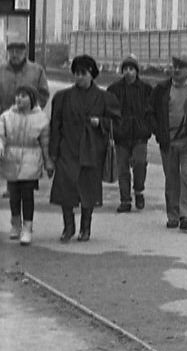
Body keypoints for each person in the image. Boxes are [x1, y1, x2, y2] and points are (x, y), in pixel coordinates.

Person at [49, 55, 121, 242]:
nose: (79, 77)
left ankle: (85, 228)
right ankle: (68, 227)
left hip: (92, 151)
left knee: (88, 191)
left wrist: (101, 123)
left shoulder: (105, 98)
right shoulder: (62, 98)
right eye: (76, 73)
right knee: (65, 189)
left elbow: (117, 123)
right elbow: (55, 126)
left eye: (83, 73)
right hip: (68, 149)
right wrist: (53, 154)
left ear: (92, 74)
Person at [147, 54, 187, 232]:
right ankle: (173, 215)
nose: (176, 69)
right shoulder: (161, 89)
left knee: (186, 177)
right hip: (168, 141)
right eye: (174, 66)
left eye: (181, 67)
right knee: (171, 178)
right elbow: (150, 111)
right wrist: (157, 131)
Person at [0, 85, 52, 246]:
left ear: (32, 98)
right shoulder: (6, 116)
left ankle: (28, 228)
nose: (19, 99)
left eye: (23, 96)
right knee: (14, 195)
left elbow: (45, 143)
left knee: (27, 195)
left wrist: (48, 162)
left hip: (31, 159)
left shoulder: (41, 118)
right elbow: (1, 135)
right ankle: (16, 223)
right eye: (17, 96)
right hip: (11, 159)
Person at [0, 33, 50, 199]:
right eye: (11, 50)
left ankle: (25, 185)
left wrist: (34, 110)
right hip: (5, 119)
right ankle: (9, 184)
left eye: (18, 50)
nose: (14, 54)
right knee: (6, 151)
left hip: (29, 120)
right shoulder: (1, 70)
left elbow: (43, 93)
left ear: (25, 51)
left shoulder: (36, 71)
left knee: (26, 152)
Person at [107, 54, 153, 213]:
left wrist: (148, 126)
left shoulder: (146, 89)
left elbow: (152, 110)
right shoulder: (114, 89)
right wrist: (114, 129)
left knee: (140, 163)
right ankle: (125, 200)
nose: (128, 72)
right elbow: (109, 111)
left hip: (140, 133)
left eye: (131, 69)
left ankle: (139, 190)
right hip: (121, 134)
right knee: (122, 168)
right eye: (125, 69)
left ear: (137, 71)